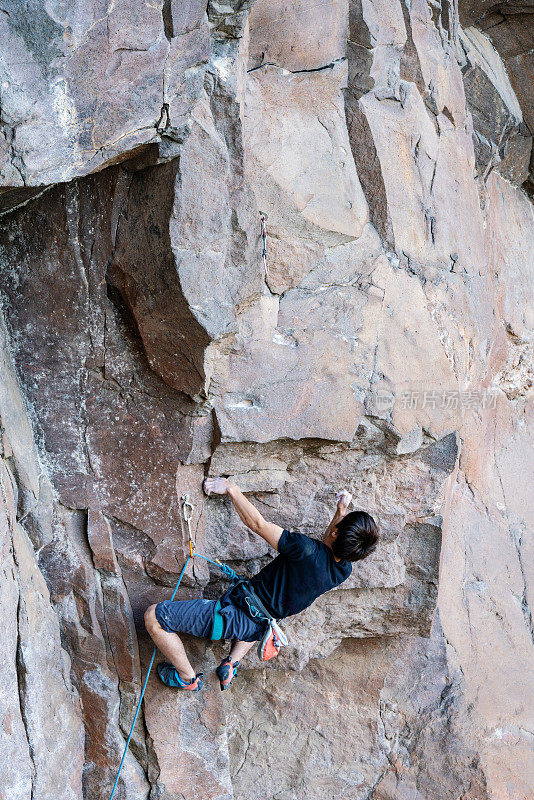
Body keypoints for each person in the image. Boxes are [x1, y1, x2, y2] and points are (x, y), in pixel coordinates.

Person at [144, 478, 379, 692]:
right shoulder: (343, 570)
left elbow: (257, 524)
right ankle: (231, 664)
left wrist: (231, 489)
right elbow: (332, 539)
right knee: (262, 613)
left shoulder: (305, 549)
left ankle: (187, 678)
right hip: (263, 626)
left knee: (154, 617)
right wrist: (341, 510)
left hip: (234, 616)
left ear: (337, 533)